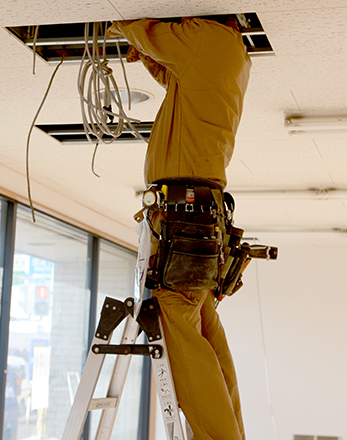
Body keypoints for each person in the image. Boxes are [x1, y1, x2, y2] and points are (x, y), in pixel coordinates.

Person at [107, 16, 251, 440]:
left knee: (191, 328)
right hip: (189, 218)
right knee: (190, 330)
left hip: (192, 219)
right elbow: (168, 63)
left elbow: (146, 31)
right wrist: (132, 34)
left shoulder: (213, 44)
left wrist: (126, 29)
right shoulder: (220, 49)